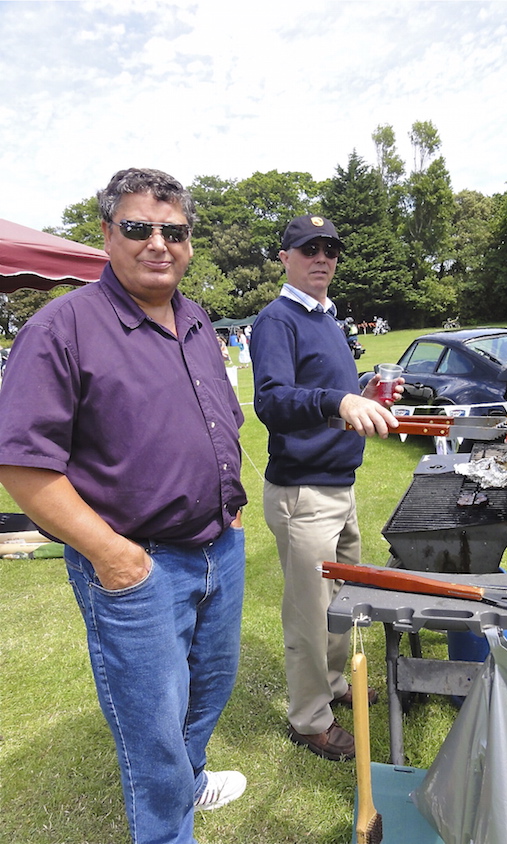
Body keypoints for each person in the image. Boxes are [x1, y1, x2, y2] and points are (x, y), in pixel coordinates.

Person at [0, 168, 248, 844]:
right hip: (137, 565)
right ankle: (168, 829)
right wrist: (111, 555)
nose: (158, 243)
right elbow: (22, 464)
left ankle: (193, 781)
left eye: (174, 231)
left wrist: (228, 510)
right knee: (152, 728)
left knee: (207, 693)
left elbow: (217, 417)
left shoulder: (195, 317)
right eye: (139, 228)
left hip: (218, 549)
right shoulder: (62, 328)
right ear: (108, 234)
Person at [249, 214, 401, 762]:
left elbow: (333, 390)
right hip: (303, 493)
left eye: (331, 249)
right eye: (309, 248)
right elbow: (272, 401)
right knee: (310, 611)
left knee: (340, 601)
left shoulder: (327, 319)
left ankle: (335, 687)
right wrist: (337, 401)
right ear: (285, 256)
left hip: (340, 485)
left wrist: (366, 392)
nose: (322, 257)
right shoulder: (276, 320)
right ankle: (309, 719)